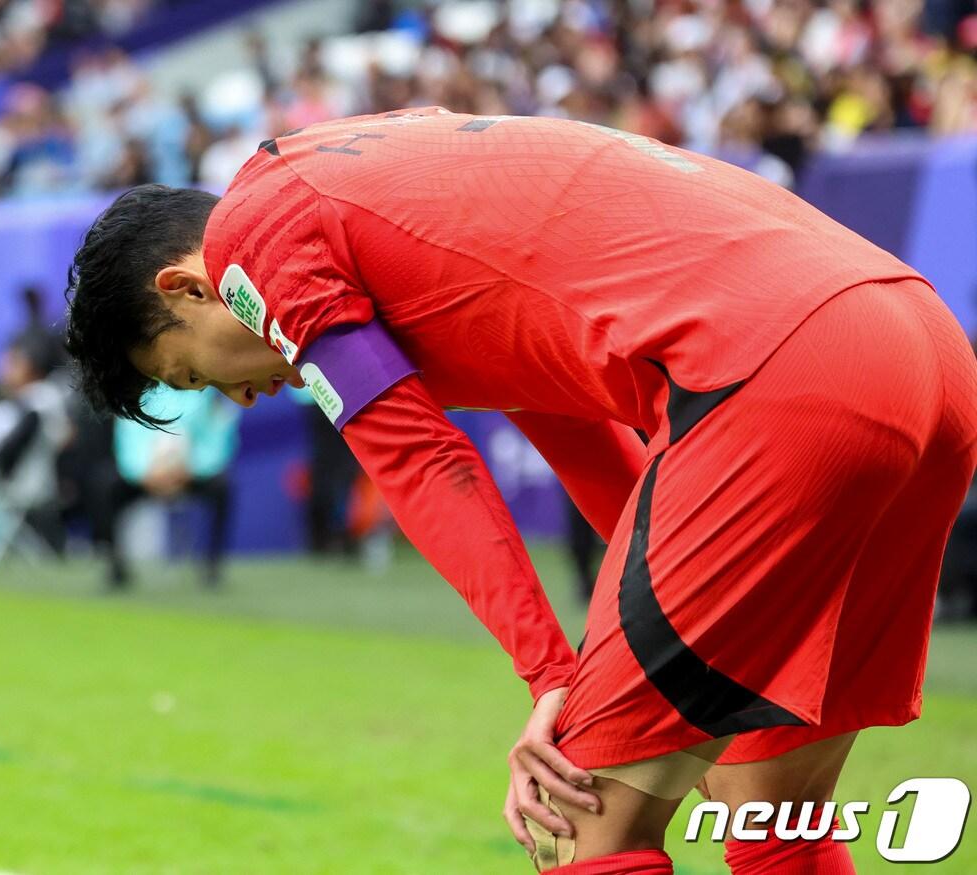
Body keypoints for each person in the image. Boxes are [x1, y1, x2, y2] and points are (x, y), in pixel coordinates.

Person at [63, 108, 977, 875]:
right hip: (921, 350)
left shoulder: (252, 239)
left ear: (188, 284)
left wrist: (556, 676)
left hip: (782, 375)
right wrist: (663, 650)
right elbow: (570, 418)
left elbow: (421, 461)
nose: (239, 395)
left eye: (192, 374)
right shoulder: (369, 171)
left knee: (580, 816)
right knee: (765, 808)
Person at [103, 385, 238, 589]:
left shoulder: (209, 391)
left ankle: (212, 566)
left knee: (223, 488)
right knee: (104, 486)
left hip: (192, 472)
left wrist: (192, 469)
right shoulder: (137, 388)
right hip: (146, 474)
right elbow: (127, 436)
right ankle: (116, 566)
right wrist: (145, 473)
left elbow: (219, 436)